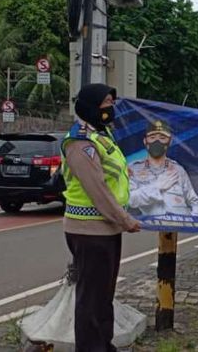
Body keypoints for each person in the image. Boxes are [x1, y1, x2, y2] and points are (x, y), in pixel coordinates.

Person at [62, 83, 141, 352]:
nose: (110, 108)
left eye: (112, 103)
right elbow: (98, 190)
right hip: (88, 230)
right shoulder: (80, 142)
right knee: (91, 300)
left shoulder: (102, 137)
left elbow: (116, 179)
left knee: (104, 297)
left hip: (105, 230)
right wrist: (125, 220)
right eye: (106, 103)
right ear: (91, 106)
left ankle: (103, 346)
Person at [128, 119, 198, 217]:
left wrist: (190, 225)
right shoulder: (133, 169)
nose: (157, 141)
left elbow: (196, 204)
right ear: (145, 141)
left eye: (162, 137)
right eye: (152, 137)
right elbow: (129, 201)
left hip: (179, 228)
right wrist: (157, 187)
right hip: (149, 229)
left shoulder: (178, 170)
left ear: (170, 141)